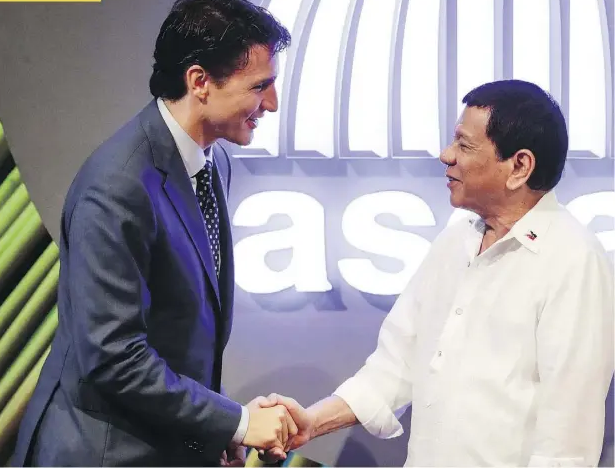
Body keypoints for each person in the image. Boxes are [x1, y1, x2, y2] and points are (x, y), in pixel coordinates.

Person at [12, 0, 298, 467]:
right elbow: (114, 358)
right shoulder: (117, 186)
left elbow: (180, 335)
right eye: (258, 86)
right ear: (200, 81)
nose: (270, 103)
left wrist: (216, 425)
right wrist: (239, 422)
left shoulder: (212, 164)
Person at [262, 80, 614, 466]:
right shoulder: (455, 240)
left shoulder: (575, 261)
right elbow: (394, 367)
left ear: (519, 166)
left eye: (464, 145)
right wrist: (311, 422)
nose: (447, 155)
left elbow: (566, 444)